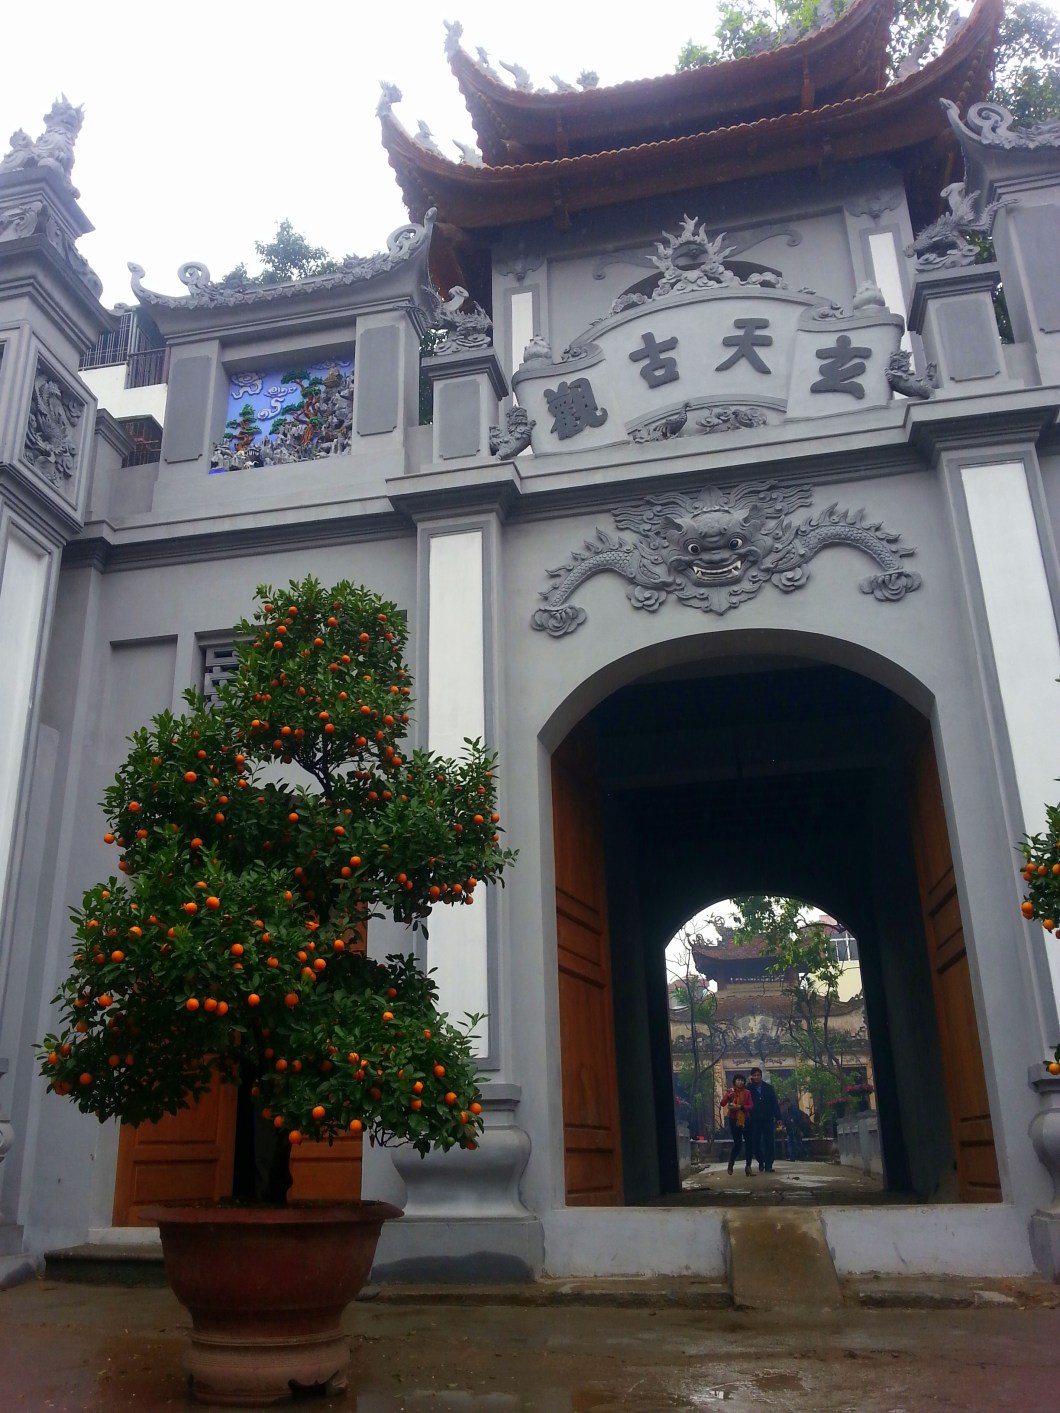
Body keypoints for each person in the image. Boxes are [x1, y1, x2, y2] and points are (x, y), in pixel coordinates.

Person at [747, 1066, 782, 1172]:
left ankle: (768, 1164)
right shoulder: (749, 1089)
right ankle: (761, 1161)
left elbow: (774, 1103)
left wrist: (778, 1117)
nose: (756, 1077)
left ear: (761, 1076)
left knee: (769, 1142)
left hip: (768, 1119)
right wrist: (749, 1083)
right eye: (754, 1075)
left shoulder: (768, 1088)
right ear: (752, 1077)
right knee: (755, 1142)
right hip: (755, 1120)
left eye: (758, 1075)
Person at [719, 1073, 755, 1176]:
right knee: (738, 1143)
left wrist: (740, 1107)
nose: (740, 1082)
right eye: (738, 1080)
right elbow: (722, 1103)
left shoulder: (747, 1093)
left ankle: (748, 1167)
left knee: (749, 1143)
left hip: (746, 1120)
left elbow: (751, 1106)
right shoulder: (730, 1092)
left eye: (742, 1080)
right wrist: (728, 1096)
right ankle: (731, 1163)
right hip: (733, 1120)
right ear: (734, 1082)